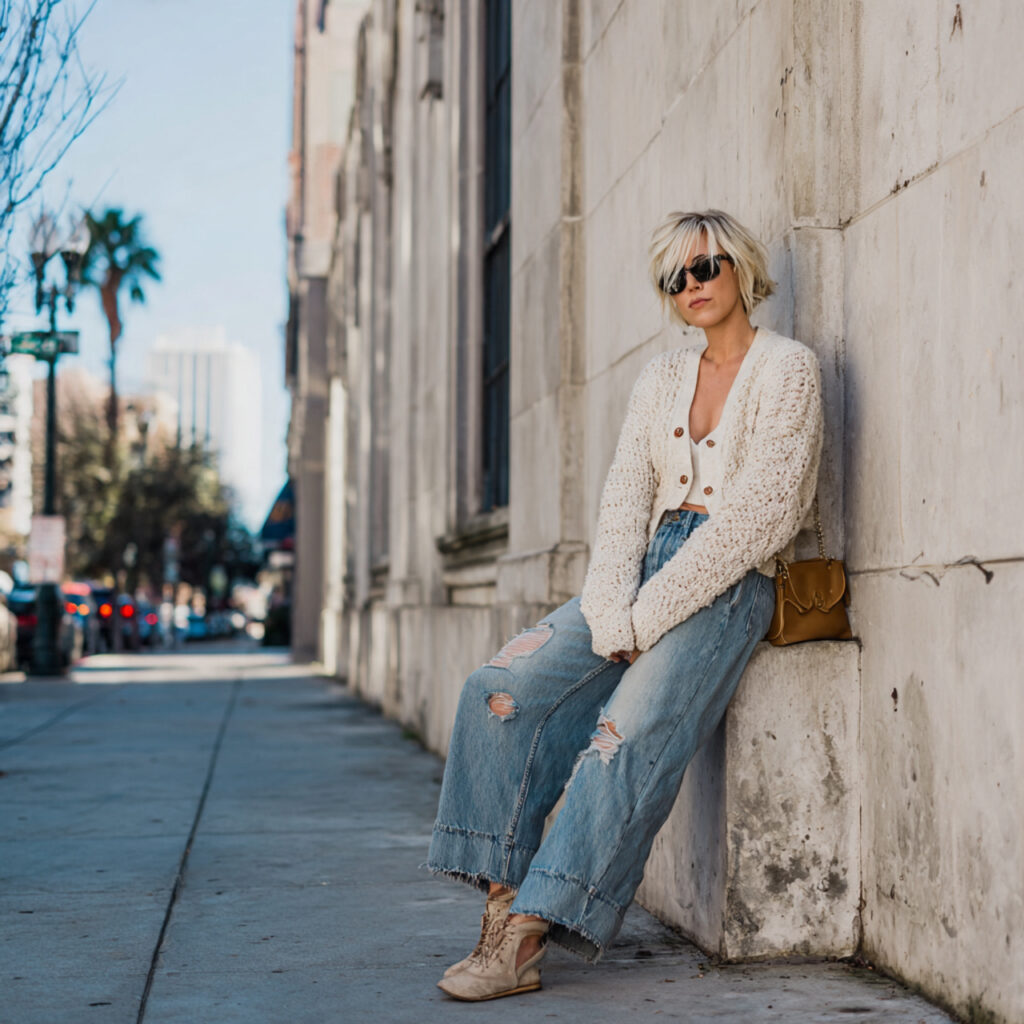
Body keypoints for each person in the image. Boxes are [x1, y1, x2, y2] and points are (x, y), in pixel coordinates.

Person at [428, 209, 824, 1001]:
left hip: (732, 583)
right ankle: (504, 906)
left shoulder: (790, 370)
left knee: (624, 733)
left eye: (705, 267)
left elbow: (761, 516)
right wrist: (613, 612)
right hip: (639, 570)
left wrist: (645, 621)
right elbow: (623, 504)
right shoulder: (659, 380)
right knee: (498, 693)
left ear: (741, 267)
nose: (692, 287)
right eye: (675, 278)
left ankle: (528, 939)